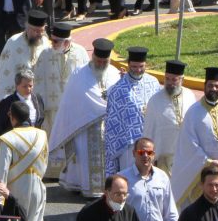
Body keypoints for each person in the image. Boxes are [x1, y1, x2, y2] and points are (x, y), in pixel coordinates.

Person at [52, 39, 122, 199]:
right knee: (84, 156)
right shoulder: (79, 73)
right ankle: (83, 186)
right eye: (98, 60)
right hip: (85, 125)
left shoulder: (114, 73)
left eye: (105, 61)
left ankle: (108, 189)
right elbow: (72, 101)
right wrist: (96, 108)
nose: (101, 63)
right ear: (93, 57)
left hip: (108, 126)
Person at [172, 66, 218, 209]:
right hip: (203, 171)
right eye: (210, 85)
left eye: (217, 86)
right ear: (204, 87)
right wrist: (209, 162)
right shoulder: (193, 112)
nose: (214, 89)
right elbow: (188, 144)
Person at [0, 10, 50, 137]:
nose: (39, 34)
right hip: (15, 102)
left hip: (36, 102)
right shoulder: (14, 42)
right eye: (35, 30)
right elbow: (3, 73)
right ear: (27, 27)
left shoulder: (46, 44)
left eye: (41, 31)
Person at [34, 23, 89, 179]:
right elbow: (38, 80)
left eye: (56, 41)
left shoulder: (80, 53)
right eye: (52, 40)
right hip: (52, 108)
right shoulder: (45, 54)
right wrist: (40, 106)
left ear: (66, 42)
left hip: (73, 107)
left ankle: (71, 173)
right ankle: (52, 172)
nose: (52, 44)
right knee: (52, 138)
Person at [0, 101, 48, 221]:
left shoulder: (8, 138)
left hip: (16, 190)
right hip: (37, 185)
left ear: (12, 117)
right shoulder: (42, 135)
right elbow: (44, 163)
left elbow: (2, 170)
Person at [104, 47, 162, 176]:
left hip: (149, 141)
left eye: (141, 66)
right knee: (130, 178)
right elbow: (112, 121)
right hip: (128, 145)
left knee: (149, 176)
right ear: (128, 64)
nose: (137, 70)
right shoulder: (118, 89)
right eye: (134, 66)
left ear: (146, 64)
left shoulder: (153, 82)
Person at [119, 137, 179, 221]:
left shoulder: (162, 177)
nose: (145, 156)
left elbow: (170, 211)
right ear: (134, 153)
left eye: (149, 152)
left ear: (154, 154)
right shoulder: (122, 178)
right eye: (141, 152)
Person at [142, 60, 196, 174]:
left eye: (174, 79)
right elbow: (148, 131)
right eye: (167, 79)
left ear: (182, 80)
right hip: (163, 160)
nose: (170, 83)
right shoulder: (155, 100)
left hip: (186, 157)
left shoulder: (190, 96)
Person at [0, 69, 44, 139]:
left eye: (30, 86)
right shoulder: (7, 102)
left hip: (34, 143)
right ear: (17, 86)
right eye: (25, 86)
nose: (28, 89)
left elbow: (40, 120)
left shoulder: (38, 99)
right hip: (14, 143)